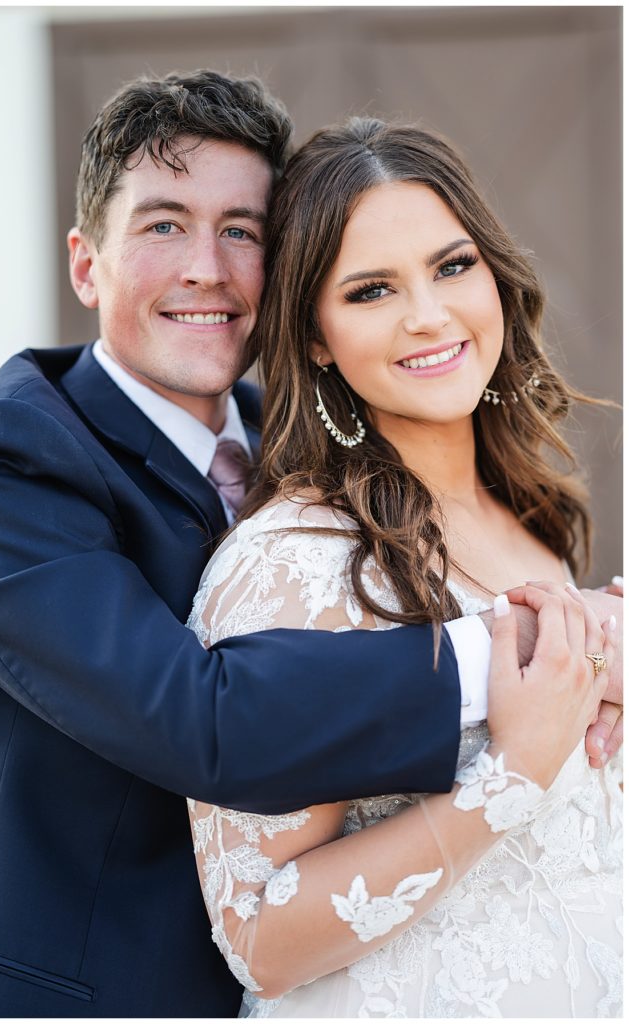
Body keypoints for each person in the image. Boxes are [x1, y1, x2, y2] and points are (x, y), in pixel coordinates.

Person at [0, 72, 620, 1018]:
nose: (207, 270)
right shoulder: (11, 461)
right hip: (100, 991)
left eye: (241, 232)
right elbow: (201, 720)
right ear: (85, 264)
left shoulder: (315, 444)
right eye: (161, 225)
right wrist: (547, 650)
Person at [186, 118, 623, 1017]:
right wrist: (511, 777)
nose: (428, 314)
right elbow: (257, 940)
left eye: (452, 266)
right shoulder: (293, 564)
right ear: (313, 337)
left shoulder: (536, 512)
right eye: (372, 289)